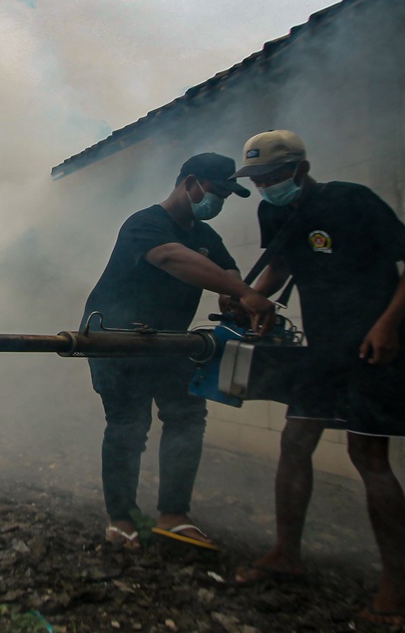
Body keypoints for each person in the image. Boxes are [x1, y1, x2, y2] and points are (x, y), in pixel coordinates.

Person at [231, 130, 405, 627]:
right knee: (295, 441)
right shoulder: (273, 210)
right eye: (255, 180)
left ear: (300, 169)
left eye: (270, 177)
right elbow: (280, 262)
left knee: (368, 456)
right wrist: (257, 298)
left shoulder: (352, 200)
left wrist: (388, 323)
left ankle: (395, 587)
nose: (263, 187)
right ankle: (285, 553)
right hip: (321, 350)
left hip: (375, 348)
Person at [82, 153, 276, 551]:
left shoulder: (205, 236)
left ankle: (174, 515)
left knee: (186, 418)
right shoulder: (145, 223)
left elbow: (229, 273)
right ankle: (121, 519)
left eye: (225, 196)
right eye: (216, 192)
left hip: (171, 341)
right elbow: (173, 259)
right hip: (116, 338)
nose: (217, 203)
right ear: (190, 183)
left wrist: (234, 297)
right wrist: (243, 292)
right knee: (128, 426)